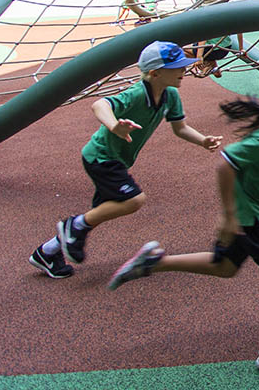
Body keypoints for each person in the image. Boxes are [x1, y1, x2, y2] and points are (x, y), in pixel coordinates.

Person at [109, 66, 259, 371]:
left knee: (224, 266)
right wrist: (228, 217)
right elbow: (226, 163)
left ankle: (155, 262)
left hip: (257, 212)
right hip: (250, 217)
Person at [28, 41, 223, 279]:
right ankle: (73, 225)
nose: (184, 70)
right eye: (178, 67)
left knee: (103, 210)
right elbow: (99, 104)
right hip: (101, 156)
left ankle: (48, 253)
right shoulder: (137, 93)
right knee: (133, 200)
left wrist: (203, 140)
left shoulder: (171, 94)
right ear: (155, 73)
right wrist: (114, 126)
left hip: (118, 159)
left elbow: (180, 128)